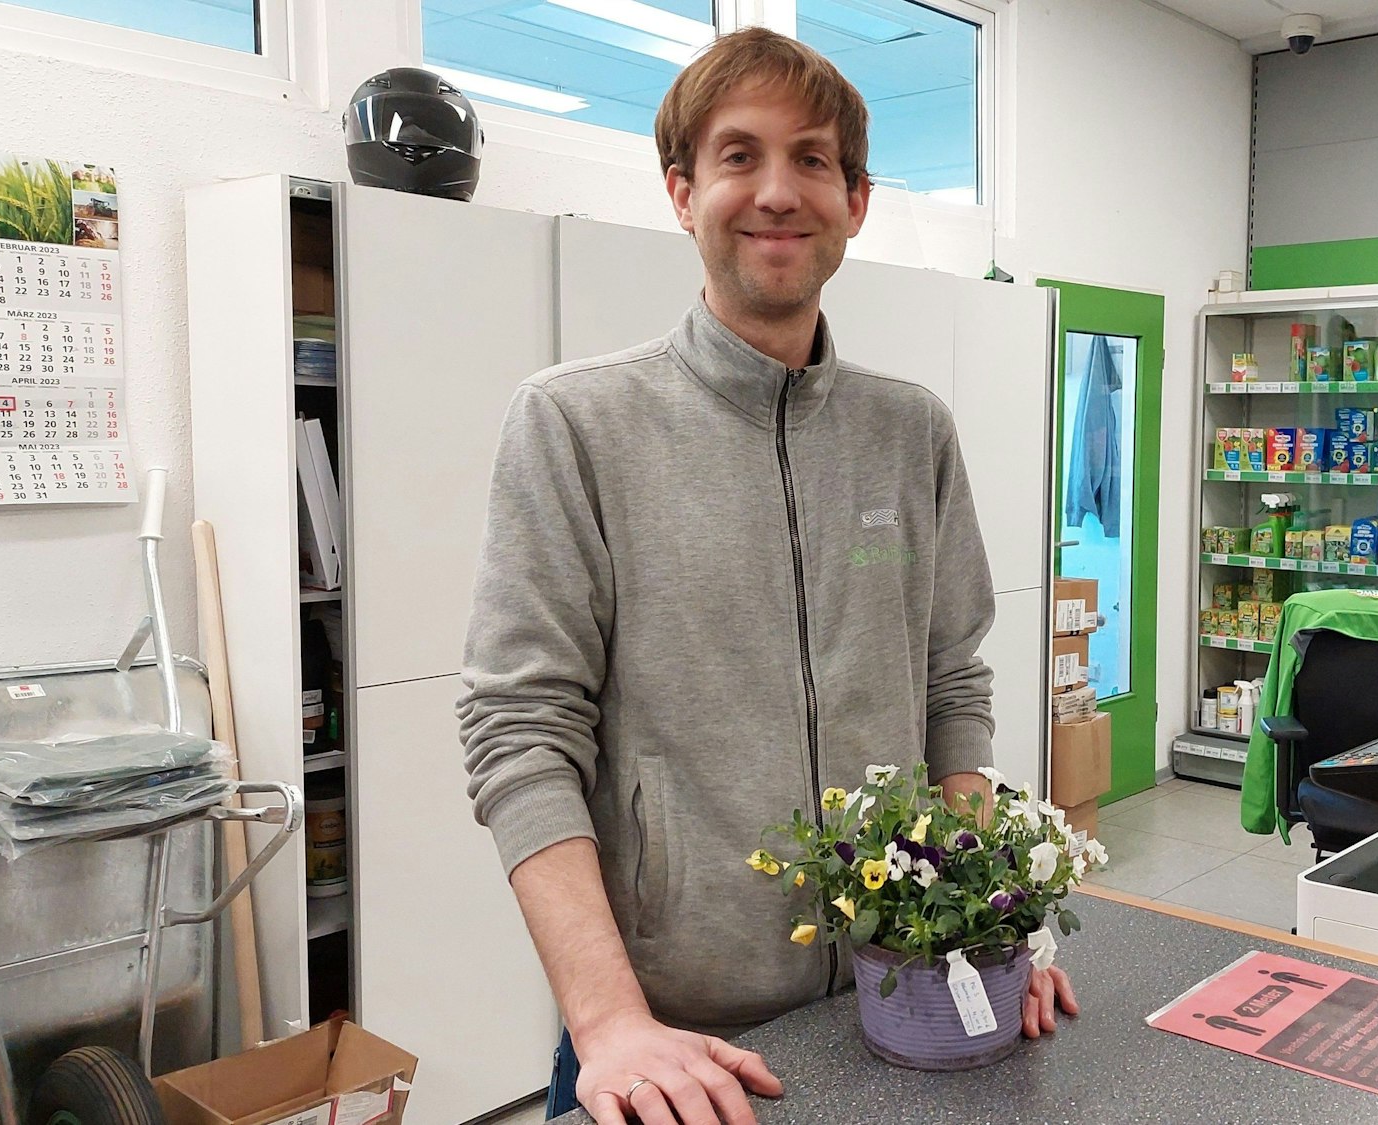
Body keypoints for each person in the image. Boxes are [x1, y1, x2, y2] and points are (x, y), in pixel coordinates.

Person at [456, 27, 1077, 1125]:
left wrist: (984, 931)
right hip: (671, 1043)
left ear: (857, 199)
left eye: (813, 160)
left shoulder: (908, 431)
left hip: (896, 1004)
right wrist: (608, 1025)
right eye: (738, 156)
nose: (778, 192)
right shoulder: (575, 422)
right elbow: (521, 731)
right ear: (681, 191)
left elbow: (951, 686)